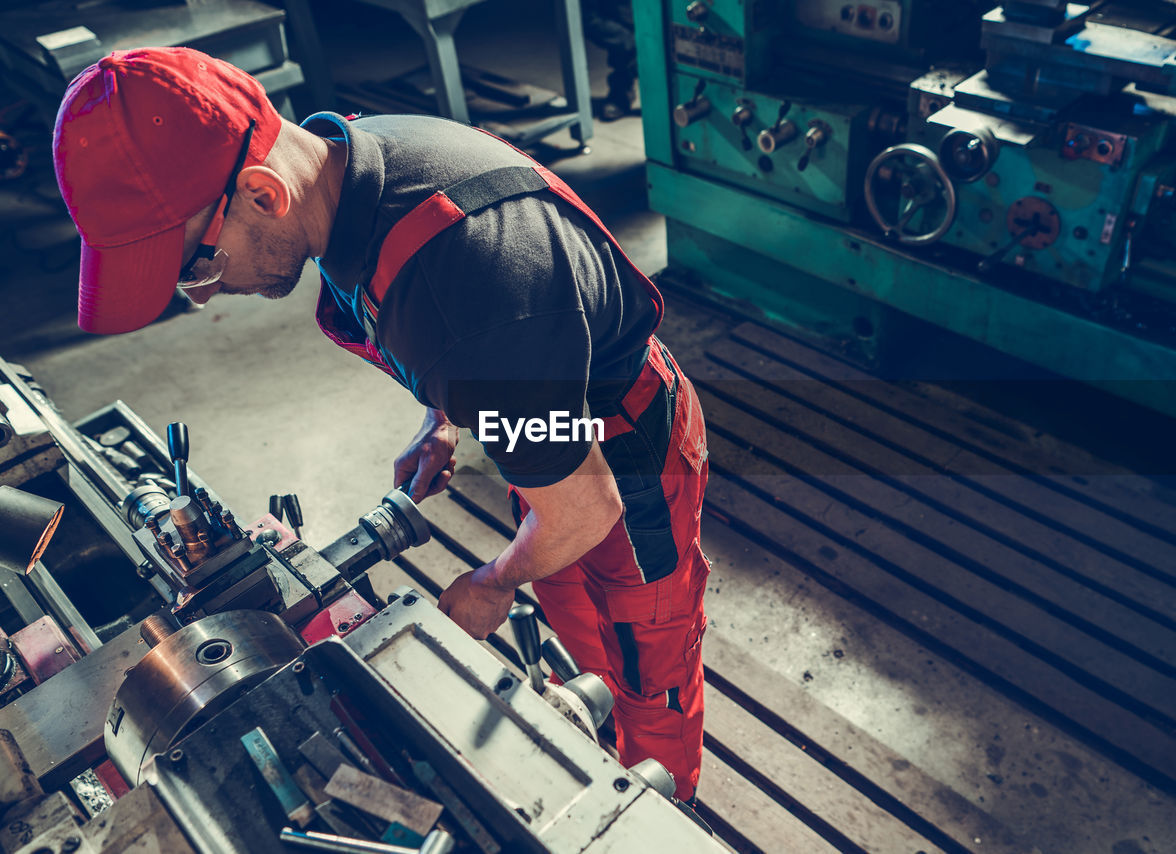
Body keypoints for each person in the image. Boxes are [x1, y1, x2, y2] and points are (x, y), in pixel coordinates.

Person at [53, 47, 710, 802]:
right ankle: (590, 713)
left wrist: (492, 584)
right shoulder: (350, 165)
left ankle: (661, 805)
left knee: (648, 661)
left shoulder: (474, 292)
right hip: (548, 423)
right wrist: (446, 418)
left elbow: (587, 506)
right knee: (573, 607)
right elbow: (473, 334)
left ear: (263, 195)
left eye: (198, 271)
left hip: (627, 460)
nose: (205, 299)